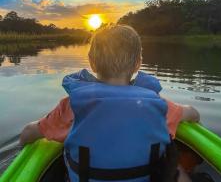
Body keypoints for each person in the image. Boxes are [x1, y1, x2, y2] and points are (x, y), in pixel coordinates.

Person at [20, 25, 200, 182]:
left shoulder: (71, 106)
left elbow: (29, 132)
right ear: (138, 64)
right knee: (174, 165)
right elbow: (193, 113)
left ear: (92, 62)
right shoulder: (160, 106)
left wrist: (22, 144)